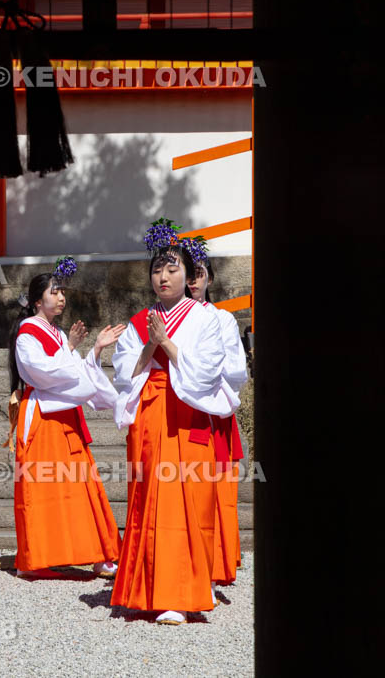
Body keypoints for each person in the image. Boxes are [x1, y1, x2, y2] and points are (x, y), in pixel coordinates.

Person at [110, 219, 238, 625]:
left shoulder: (208, 318)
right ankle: (146, 590)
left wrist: (166, 342)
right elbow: (124, 374)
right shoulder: (138, 321)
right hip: (149, 413)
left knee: (188, 502)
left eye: (172, 269)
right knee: (149, 502)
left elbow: (207, 373)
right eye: (156, 269)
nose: (163, 277)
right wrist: (150, 343)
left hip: (187, 413)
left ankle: (184, 593)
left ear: (190, 274)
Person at [8, 258, 125, 579]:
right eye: (54, 292)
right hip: (43, 418)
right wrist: (71, 347)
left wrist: (96, 349)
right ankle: (39, 557)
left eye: (62, 292)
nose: (61, 298)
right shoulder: (27, 334)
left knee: (80, 485)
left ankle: (97, 553)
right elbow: (40, 373)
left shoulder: (55, 333)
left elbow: (75, 372)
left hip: (64, 416)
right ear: (36, 301)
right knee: (45, 489)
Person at [183, 236, 248, 587]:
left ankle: (216, 560)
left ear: (210, 278)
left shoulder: (221, 318)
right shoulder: (162, 318)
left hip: (212, 411)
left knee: (216, 490)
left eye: (199, 273)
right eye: (187, 273)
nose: (193, 281)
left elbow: (236, 368)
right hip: (175, 414)